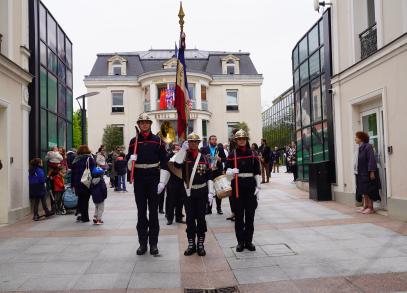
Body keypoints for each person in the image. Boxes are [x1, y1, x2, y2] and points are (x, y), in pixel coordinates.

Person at [126, 113, 170, 256]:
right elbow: (128, 164)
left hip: (153, 179)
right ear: (139, 125)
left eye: (147, 122)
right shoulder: (133, 141)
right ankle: (142, 243)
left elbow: (164, 162)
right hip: (139, 180)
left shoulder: (158, 141)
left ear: (150, 124)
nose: (144, 125)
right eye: (142, 123)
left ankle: (153, 244)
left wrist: (162, 181)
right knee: (141, 213)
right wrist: (129, 160)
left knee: (153, 214)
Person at [172, 133, 214, 256]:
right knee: (190, 219)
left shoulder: (205, 158)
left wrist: (211, 192)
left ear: (199, 143)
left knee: (201, 218)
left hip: (201, 191)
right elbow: (176, 165)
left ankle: (200, 243)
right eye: (191, 142)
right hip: (188, 192)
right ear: (188, 143)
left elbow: (209, 176)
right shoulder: (184, 156)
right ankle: (191, 244)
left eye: (196, 141)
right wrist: (182, 150)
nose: (193, 143)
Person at [226, 129, 261, 252]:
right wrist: (231, 172)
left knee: (250, 216)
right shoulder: (232, 154)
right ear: (236, 141)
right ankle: (240, 242)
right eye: (239, 139)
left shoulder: (253, 154)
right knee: (239, 217)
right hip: (237, 188)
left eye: (243, 139)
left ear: (246, 140)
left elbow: (257, 172)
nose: (241, 141)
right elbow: (226, 173)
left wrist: (258, 187)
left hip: (250, 188)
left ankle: (249, 241)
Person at [354, 131, 380, 214]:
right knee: (363, 190)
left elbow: (371, 159)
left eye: (356, 137)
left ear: (361, 138)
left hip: (367, 172)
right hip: (360, 172)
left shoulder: (368, 147)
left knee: (369, 190)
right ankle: (365, 206)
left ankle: (371, 207)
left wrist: (371, 171)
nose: (355, 139)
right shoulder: (359, 148)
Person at [201, 135, 226, 215]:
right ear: (209, 140)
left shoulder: (220, 148)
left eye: (215, 139)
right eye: (212, 139)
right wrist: (205, 157)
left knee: (219, 190)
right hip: (208, 171)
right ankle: (208, 208)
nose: (214, 141)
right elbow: (200, 159)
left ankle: (219, 208)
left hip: (217, 171)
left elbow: (225, 159)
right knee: (209, 190)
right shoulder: (204, 149)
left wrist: (220, 159)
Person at [71, 145, 95, 223]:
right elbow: (93, 171)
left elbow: (73, 173)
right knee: (85, 199)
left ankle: (82, 215)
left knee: (81, 199)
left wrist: (72, 184)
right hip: (86, 182)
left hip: (77, 182)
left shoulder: (76, 159)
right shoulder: (90, 159)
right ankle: (85, 217)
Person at [165, 143, 186, 225]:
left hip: (181, 180)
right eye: (176, 147)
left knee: (180, 200)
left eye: (179, 147)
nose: (178, 148)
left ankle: (179, 217)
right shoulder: (169, 155)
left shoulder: (183, 155)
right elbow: (166, 164)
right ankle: (170, 218)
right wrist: (173, 154)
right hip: (171, 180)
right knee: (171, 200)